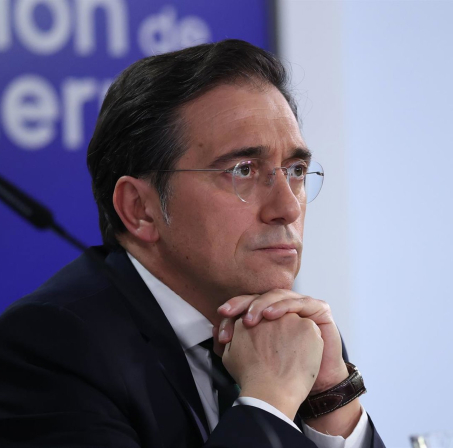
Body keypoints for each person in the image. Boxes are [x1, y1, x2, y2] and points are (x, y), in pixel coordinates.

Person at [0, 39, 385, 448]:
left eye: (296, 170)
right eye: (243, 170)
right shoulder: (52, 346)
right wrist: (269, 400)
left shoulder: (292, 337)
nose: (288, 208)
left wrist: (331, 396)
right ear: (140, 209)